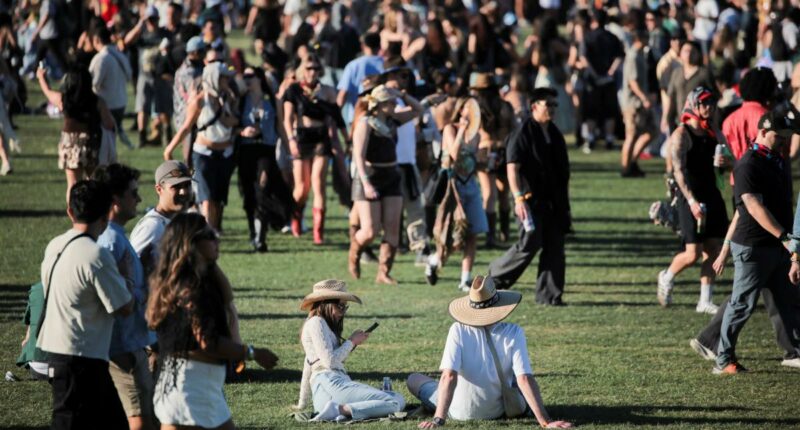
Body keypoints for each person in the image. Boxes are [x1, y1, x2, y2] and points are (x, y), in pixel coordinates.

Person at [146, 213, 279, 428]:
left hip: (190, 384)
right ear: (192, 243)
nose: (217, 239)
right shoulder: (192, 289)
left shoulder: (184, 280)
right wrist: (252, 353)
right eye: (209, 236)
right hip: (191, 387)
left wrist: (210, 261)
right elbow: (208, 341)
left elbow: (228, 298)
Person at [408, 275, 572, 429]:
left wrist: (438, 419)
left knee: (414, 379)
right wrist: (545, 421)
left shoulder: (458, 329)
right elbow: (524, 379)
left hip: (460, 412)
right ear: (499, 304)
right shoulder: (514, 332)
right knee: (513, 380)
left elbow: (449, 376)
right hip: (498, 410)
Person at [38, 180, 134, 429]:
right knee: (70, 422)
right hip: (80, 358)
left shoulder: (54, 245)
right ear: (106, 215)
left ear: (70, 211)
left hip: (60, 351)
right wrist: (127, 278)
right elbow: (123, 306)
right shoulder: (96, 254)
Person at [711, 111, 800, 374]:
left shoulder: (778, 160)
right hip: (753, 246)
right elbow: (750, 206)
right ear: (762, 132)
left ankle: (794, 351)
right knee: (741, 305)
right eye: (778, 136)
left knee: (788, 300)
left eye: (786, 137)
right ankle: (723, 359)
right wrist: (785, 237)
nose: (783, 142)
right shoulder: (748, 164)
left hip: (779, 245)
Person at [487, 88, 572, 305]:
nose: (552, 109)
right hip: (529, 199)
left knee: (555, 246)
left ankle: (549, 295)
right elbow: (512, 168)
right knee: (530, 242)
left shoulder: (554, 133)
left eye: (555, 105)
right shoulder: (521, 133)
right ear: (534, 106)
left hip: (554, 201)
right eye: (548, 104)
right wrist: (518, 198)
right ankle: (494, 278)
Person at [93, 164, 156, 430]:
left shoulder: (117, 236)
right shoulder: (109, 240)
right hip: (122, 348)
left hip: (131, 344)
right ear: (115, 200)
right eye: (133, 193)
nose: (139, 199)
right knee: (139, 419)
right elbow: (107, 299)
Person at [657, 87, 729, 315]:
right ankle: (667, 277)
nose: (709, 108)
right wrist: (690, 201)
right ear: (693, 105)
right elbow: (678, 171)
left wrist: (724, 162)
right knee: (693, 253)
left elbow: (726, 164)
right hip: (690, 197)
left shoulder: (713, 133)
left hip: (712, 195)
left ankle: (704, 300)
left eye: (711, 103)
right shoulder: (682, 134)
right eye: (704, 103)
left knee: (714, 249)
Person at [296, 279, 405, 421]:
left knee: (392, 397)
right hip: (331, 384)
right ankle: (339, 410)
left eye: (345, 307)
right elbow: (329, 361)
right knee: (395, 401)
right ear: (325, 303)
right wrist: (351, 341)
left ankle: (340, 413)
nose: (343, 312)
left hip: (325, 394)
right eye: (340, 306)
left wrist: (302, 403)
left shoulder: (318, 324)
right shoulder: (317, 322)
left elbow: (309, 364)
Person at [349, 84, 422, 284]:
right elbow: (358, 156)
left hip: (391, 175)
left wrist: (402, 93)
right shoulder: (365, 123)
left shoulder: (393, 120)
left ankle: (383, 273)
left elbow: (418, 110)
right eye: (390, 101)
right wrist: (366, 184)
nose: (394, 104)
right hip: (369, 177)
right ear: (380, 105)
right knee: (370, 231)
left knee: (392, 228)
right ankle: (355, 251)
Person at [164, 62, 238, 232]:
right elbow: (186, 127)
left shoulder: (226, 97)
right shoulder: (200, 101)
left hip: (225, 153)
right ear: (214, 78)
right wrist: (170, 148)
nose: (227, 80)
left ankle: (212, 230)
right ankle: (207, 233)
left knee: (219, 198)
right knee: (206, 197)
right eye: (224, 77)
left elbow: (233, 121)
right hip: (203, 154)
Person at [426, 97, 488, 291]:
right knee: (451, 237)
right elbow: (453, 154)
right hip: (452, 188)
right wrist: (462, 129)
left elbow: (476, 162)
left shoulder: (477, 134)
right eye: (466, 109)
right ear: (460, 111)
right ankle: (435, 260)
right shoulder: (450, 129)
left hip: (470, 185)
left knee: (472, 234)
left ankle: (465, 279)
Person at [282, 54, 345, 244]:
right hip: (301, 137)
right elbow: (287, 119)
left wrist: (345, 140)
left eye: (316, 69)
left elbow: (337, 118)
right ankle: (296, 215)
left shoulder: (326, 92)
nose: (312, 72)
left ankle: (319, 231)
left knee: (318, 183)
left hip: (320, 138)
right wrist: (291, 140)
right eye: (309, 68)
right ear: (303, 70)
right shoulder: (293, 90)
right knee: (302, 189)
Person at [38, 66, 116, 202]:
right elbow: (109, 123)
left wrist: (41, 78)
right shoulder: (97, 101)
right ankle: (94, 214)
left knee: (73, 185)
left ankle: (75, 216)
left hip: (70, 143)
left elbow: (48, 92)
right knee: (95, 183)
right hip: (91, 142)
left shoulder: (64, 100)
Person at [236, 66, 288, 252]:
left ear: (259, 78)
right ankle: (253, 230)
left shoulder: (272, 101)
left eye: (251, 76)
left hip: (266, 149)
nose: (247, 79)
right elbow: (233, 125)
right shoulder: (241, 100)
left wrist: (289, 150)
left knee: (263, 187)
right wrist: (243, 131)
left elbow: (280, 126)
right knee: (249, 192)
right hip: (246, 149)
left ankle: (261, 236)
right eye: (245, 76)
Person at [469, 72, 515, 249]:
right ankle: (504, 233)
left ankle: (490, 236)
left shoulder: (476, 110)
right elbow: (513, 129)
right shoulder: (505, 106)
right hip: (504, 150)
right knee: (504, 194)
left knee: (488, 195)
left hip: (484, 152)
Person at [130, 160, 193, 276]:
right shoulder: (152, 227)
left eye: (187, 185)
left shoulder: (181, 221)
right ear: (159, 189)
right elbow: (132, 271)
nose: (183, 192)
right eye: (176, 187)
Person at [124, 5, 171, 148]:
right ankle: (142, 137)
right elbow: (127, 41)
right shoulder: (142, 35)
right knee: (142, 108)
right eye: (149, 19)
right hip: (144, 76)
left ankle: (167, 136)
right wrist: (139, 24)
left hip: (160, 76)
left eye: (154, 19)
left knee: (163, 108)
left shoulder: (164, 34)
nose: (151, 22)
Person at [89, 25, 134, 149]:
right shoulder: (121, 55)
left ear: (96, 40)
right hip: (121, 102)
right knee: (112, 136)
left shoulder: (100, 59)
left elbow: (94, 83)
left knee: (104, 140)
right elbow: (129, 76)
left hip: (106, 104)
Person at [619, 30, 656, 178]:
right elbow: (632, 82)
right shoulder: (633, 56)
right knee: (631, 135)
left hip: (640, 102)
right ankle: (625, 167)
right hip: (633, 103)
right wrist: (644, 97)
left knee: (651, 132)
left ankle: (632, 161)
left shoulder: (641, 54)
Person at [336, 32, 384, 130]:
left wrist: (335, 118)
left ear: (363, 46)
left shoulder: (353, 65)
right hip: (383, 119)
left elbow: (342, 96)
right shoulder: (387, 65)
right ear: (379, 45)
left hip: (357, 119)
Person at [172, 36, 206, 167]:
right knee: (190, 157)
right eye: (203, 51)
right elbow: (193, 96)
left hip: (190, 117)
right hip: (187, 119)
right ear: (196, 53)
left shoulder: (195, 67)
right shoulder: (188, 73)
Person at [16, 282, 49, 381]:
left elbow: (30, 321)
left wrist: (27, 340)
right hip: (63, 365)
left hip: (36, 365)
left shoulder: (36, 289)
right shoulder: (71, 288)